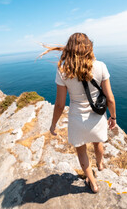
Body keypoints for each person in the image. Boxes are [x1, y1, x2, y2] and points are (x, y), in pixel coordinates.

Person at [39, 32, 116, 193]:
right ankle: (100, 165)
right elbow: (110, 98)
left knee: (81, 150)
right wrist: (113, 117)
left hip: (77, 119)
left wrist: (53, 124)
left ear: (70, 49)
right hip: (97, 116)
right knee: (98, 142)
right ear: (88, 47)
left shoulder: (63, 71)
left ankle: (93, 183)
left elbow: (60, 104)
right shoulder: (101, 66)